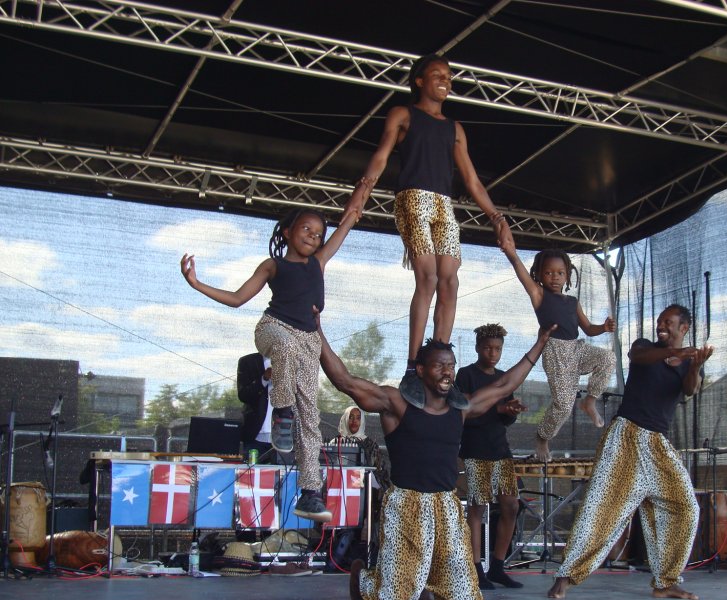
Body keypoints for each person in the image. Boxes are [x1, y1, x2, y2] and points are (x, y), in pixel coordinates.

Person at [316, 315, 553, 600]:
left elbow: (505, 384)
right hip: (406, 505)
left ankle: (423, 584)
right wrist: (316, 330)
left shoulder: (461, 408)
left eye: (451, 366)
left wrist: (540, 343)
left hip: (446, 505)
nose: (447, 372)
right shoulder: (395, 403)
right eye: (440, 366)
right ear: (421, 370)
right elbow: (345, 381)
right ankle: (365, 581)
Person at [343, 54, 515, 410]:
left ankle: (440, 359)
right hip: (412, 199)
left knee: (450, 280)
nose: (445, 81)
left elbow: (471, 179)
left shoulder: (454, 128)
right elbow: (381, 156)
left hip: (443, 204)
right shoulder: (403, 114)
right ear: (419, 80)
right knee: (429, 276)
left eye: (449, 76)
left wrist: (497, 218)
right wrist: (362, 192)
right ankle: (412, 366)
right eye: (437, 75)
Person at [181, 206, 356, 522]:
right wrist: (196, 283)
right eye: (306, 229)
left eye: (318, 234)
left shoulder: (318, 262)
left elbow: (349, 219)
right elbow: (237, 298)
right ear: (287, 231)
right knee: (285, 347)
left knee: (310, 418)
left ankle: (310, 493)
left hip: (308, 340)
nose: (313, 237)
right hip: (273, 328)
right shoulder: (273, 265)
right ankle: (282, 412)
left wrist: (365, 189)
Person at [547, 304, 713, 600]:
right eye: (660, 321)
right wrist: (676, 352)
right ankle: (566, 576)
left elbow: (690, 390)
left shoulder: (689, 363)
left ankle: (665, 582)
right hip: (626, 437)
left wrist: (694, 365)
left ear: (684, 328)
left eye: (669, 322)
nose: (662, 326)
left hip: (657, 444)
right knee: (602, 508)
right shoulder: (645, 347)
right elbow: (638, 357)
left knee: (684, 507)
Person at [500, 246, 616, 461]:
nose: (555, 277)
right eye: (548, 272)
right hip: (556, 354)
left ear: (568, 276)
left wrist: (603, 327)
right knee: (563, 405)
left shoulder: (572, 302)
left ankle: (589, 401)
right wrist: (511, 254)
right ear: (539, 275)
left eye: (560, 273)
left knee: (608, 358)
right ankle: (542, 437)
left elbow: (589, 328)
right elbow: (521, 274)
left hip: (577, 349)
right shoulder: (539, 295)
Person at [455, 323, 526, 590]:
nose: (493, 353)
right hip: (475, 450)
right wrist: (499, 409)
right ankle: (476, 569)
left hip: (500, 450)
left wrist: (511, 412)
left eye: (497, 348)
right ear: (477, 348)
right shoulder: (466, 375)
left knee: (511, 505)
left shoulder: (504, 377)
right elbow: (464, 415)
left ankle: (497, 566)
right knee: (478, 507)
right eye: (487, 348)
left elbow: (504, 420)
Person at [236, 352, 273, 461]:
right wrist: (264, 379)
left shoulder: (291, 361)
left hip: (283, 437)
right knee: (251, 470)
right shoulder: (248, 361)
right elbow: (243, 395)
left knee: (284, 470)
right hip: (255, 436)